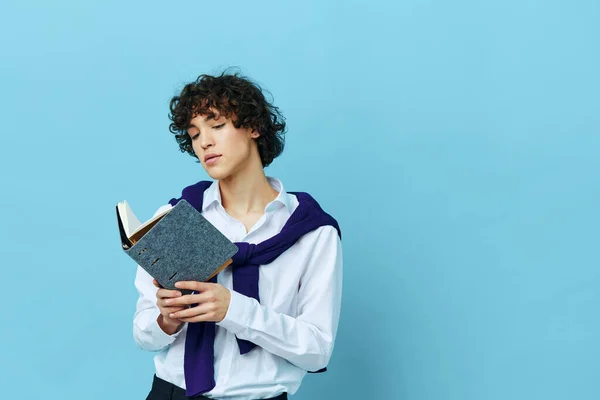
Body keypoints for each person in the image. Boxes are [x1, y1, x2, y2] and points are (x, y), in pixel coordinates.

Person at [133, 70, 343, 400]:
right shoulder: (179, 218)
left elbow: (318, 351)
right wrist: (166, 320)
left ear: (254, 128)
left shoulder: (312, 231)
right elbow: (143, 336)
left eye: (217, 125)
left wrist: (234, 310)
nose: (204, 142)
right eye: (194, 134)